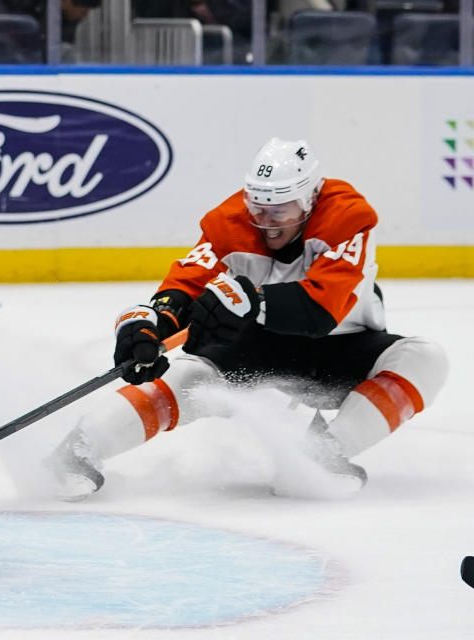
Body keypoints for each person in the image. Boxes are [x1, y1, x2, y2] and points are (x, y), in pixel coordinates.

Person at [47, 137, 448, 501]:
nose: (265, 220)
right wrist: (152, 320)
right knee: (190, 377)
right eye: (258, 206)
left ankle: (321, 455)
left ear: (309, 200)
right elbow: (186, 284)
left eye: (279, 211)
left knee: (425, 358)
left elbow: (321, 311)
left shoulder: (348, 218)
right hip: (261, 348)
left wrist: (251, 299)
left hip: (342, 348)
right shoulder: (230, 222)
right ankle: (81, 447)